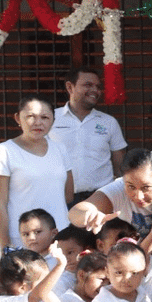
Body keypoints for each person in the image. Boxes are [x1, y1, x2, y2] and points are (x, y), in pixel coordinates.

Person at [70, 148, 152, 257]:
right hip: (141, 262)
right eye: (131, 187)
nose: (138, 196)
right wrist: (89, 214)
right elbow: (75, 213)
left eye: (146, 188)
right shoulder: (118, 188)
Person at [0, 97, 73, 254]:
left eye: (45, 117)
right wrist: (7, 246)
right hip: (22, 241)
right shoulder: (2, 152)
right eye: (31, 116)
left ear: (53, 120)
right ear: (17, 118)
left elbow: (68, 195)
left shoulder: (60, 149)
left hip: (59, 239)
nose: (38, 122)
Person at [48, 65, 127, 203]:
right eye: (88, 85)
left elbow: (120, 166)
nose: (95, 90)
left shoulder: (109, 122)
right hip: (59, 198)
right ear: (70, 87)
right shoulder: (49, 118)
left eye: (97, 86)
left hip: (100, 198)